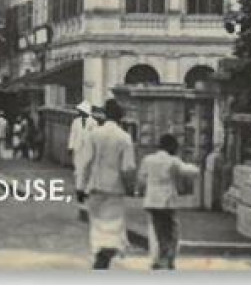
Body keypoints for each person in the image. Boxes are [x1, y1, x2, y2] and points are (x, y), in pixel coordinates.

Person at [74, 98, 137, 270]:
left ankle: (101, 258)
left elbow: (85, 162)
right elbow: (128, 167)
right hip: (115, 190)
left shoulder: (94, 135)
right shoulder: (124, 138)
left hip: (95, 188)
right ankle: (104, 258)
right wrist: (131, 187)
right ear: (121, 117)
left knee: (98, 227)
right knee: (112, 228)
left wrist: (80, 186)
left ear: (104, 115)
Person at [137, 132, 196, 270]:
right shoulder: (172, 160)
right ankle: (167, 257)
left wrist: (146, 188)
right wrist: (196, 167)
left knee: (158, 229)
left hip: (151, 200)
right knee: (171, 231)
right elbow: (187, 171)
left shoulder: (148, 159)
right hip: (167, 201)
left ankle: (158, 257)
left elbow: (141, 179)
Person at [66, 101, 93, 166]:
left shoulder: (93, 122)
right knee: (78, 165)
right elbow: (72, 134)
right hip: (78, 147)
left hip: (88, 147)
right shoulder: (76, 121)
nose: (80, 112)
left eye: (81, 110)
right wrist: (70, 147)